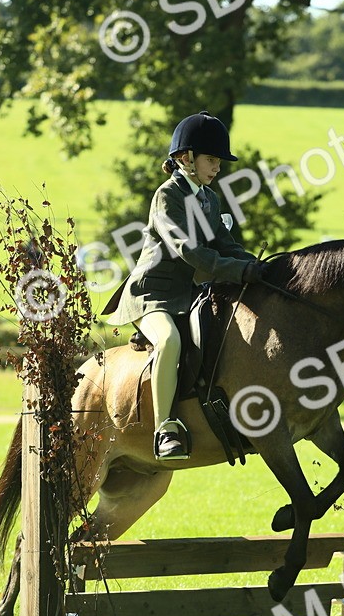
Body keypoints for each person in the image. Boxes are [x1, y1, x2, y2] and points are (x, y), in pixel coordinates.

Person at [103, 111, 264, 461]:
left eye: (218, 160)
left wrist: (260, 267)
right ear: (185, 158)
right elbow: (191, 253)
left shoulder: (210, 198)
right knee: (170, 341)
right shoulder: (167, 197)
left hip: (186, 296)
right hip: (151, 295)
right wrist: (238, 271)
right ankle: (165, 430)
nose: (217, 167)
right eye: (211, 159)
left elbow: (226, 245)